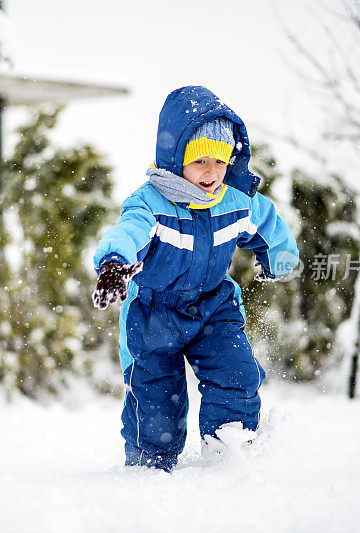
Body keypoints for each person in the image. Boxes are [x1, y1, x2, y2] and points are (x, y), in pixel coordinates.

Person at [92, 86, 299, 472]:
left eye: (220, 161)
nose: (211, 171)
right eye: (199, 159)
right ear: (175, 158)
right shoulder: (150, 204)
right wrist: (115, 263)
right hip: (153, 310)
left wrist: (280, 258)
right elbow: (129, 230)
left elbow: (268, 221)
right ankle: (149, 465)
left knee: (235, 373)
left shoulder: (234, 200)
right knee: (157, 400)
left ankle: (229, 451)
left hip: (212, 306)